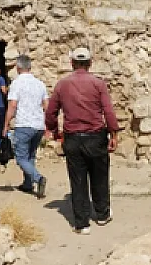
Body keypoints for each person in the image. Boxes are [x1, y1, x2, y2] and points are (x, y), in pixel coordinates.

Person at [45, 48, 120, 234]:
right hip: (96, 136)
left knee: (77, 179)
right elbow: (108, 111)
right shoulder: (98, 84)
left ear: (72, 63)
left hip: (72, 138)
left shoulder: (62, 85)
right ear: (90, 63)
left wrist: (54, 131)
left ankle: (82, 223)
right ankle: (102, 214)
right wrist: (114, 134)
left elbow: (51, 113)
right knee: (100, 176)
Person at [3, 55, 48, 197]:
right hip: (38, 125)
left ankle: (38, 178)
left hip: (24, 124)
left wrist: (6, 124)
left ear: (17, 67)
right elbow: (46, 104)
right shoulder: (40, 83)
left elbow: (12, 105)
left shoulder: (16, 83)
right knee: (31, 156)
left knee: (21, 157)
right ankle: (28, 184)